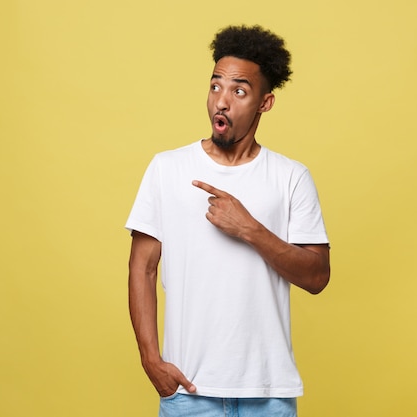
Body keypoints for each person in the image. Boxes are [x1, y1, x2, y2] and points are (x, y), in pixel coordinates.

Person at [126, 24, 330, 417]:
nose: (221, 101)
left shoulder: (291, 177)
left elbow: (317, 276)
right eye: (215, 85)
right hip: (188, 392)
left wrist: (248, 228)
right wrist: (151, 360)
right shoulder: (167, 168)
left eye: (239, 91)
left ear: (264, 103)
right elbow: (143, 268)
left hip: (268, 395)